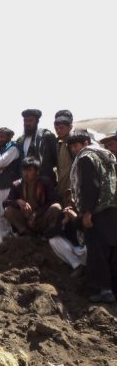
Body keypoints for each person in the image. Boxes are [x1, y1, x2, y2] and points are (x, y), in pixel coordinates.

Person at [67, 129, 117, 303]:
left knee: (98, 252)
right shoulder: (107, 156)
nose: (74, 149)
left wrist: (87, 212)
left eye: (77, 145)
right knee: (112, 250)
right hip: (111, 209)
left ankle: (104, 290)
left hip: (97, 212)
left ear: (85, 144)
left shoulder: (86, 158)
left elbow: (90, 186)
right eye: (71, 146)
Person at [2, 157, 62, 236]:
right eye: (24, 170)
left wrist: (36, 213)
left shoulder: (45, 182)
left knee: (56, 207)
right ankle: (26, 235)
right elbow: (5, 203)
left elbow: (54, 200)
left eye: (29, 170)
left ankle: (48, 234)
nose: (26, 173)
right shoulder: (17, 185)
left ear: (36, 171)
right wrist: (17, 202)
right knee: (8, 210)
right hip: (26, 220)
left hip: (42, 218)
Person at [0, 127, 21, 244]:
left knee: (7, 212)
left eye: (2, 137)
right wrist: (0, 168)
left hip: (9, 185)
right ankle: (4, 243)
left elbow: (1, 162)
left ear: (9, 137)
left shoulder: (13, 148)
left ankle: (13, 243)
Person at [16, 109, 57, 181]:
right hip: (26, 181)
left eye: (31, 120)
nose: (27, 123)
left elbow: (56, 159)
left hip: (44, 180)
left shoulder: (47, 136)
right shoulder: (20, 140)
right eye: (25, 121)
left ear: (37, 122)